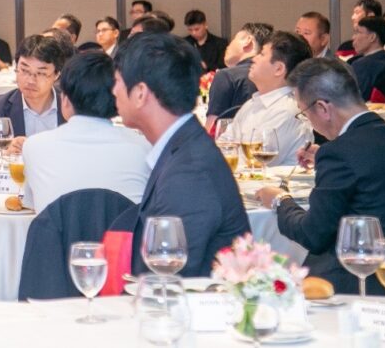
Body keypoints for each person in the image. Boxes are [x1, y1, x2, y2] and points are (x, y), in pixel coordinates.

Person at [256, 58, 385, 295]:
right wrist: (326, 158)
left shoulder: (339, 153)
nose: (308, 121)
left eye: (304, 113)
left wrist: (280, 200)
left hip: (352, 280)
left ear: (323, 108)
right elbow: (373, 167)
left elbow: (312, 234)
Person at [113, 33, 250, 277]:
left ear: (141, 93)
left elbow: (168, 275)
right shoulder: (183, 147)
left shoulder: (189, 172)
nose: (113, 91)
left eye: (117, 82)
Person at [23, 51, 151, 212]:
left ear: (65, 99)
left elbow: (30, 205)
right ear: (117, 98)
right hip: (125, 229)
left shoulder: (34, 147)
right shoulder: (144, 148)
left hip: (60, 230)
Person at [221, 31, 312, 167]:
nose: (254, 59)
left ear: (279, 69)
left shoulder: (287, 111)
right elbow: (225, 143)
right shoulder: (252, 104)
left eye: (262, 54)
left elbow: (256, 163)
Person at [0, 35, 68, 150]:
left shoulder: (73, 105)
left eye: (41, 73)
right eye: (24, 70)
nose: (31, 80)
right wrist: (4, 152)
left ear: (56, 75)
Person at [205, 22, 273, 128]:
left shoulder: (226, 76)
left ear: (247, 41)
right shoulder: (275, 77)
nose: (228, 47)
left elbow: (213, 128)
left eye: (233, 40)